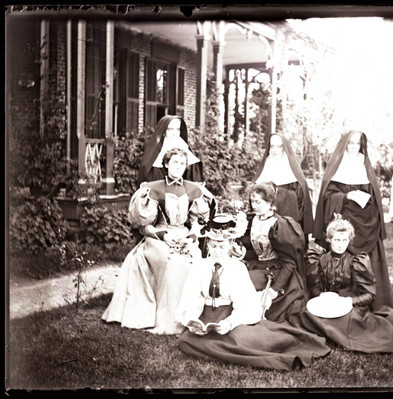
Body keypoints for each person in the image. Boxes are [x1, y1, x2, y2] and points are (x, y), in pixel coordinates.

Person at [176, 214, 331, 370]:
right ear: (207, 245)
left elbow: (246, 304)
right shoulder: (199, 266)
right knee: (186, 341)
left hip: (230, 316)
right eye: (213, 246)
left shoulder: (237, 268)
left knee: (237, 341)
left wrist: (230, 323)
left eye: (222, 246)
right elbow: (190, 298)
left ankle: (282, 346)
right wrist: (192, 321)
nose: (217, 251)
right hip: (206, 318)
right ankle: (218, 346)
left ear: (230, 245)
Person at [102, 148, 212, 335]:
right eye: (174, 162)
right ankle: (168, 320)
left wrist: (191, 237)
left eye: (182, 163)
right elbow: (143, 226)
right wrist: (164, 236)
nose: (178, 167)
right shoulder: (151, 189)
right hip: (157, 236)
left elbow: (197, 222)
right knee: (170, 261)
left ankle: (191, 316)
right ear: (166, 164)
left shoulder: (194, 189)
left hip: (184, 235)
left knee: (193, 259)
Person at [300, 217, 393, 353]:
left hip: (349, 306)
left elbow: (370, 295)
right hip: (327, 303)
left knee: (346, 320)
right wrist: (322, 296)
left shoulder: (355, 262)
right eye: (337, 240)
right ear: (329, 240)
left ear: (349, 241)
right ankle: (330, 330)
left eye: (344, 240)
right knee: (307, 314)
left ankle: (335, 332)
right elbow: (314, 287)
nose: (341, 244)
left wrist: (349, 301)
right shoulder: (320, 259)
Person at [313, 130, 393, 309]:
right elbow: (328, 196)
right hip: (344, 218)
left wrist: (367, 202)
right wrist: (346, 196)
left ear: (362, 145)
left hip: (366, 221)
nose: (353, 147)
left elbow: (374, 197)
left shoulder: (365, 165)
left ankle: (372, 301)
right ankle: (341, 299)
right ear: (344, 144)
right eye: (350, 143)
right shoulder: (337, 165)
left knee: (368, 261)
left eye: (357, 143)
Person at [240, 182, 309, 325]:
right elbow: (257, 252)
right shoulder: (253, 219)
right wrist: (242, 253)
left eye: (258, 202)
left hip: (277, 272)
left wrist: (275, 289)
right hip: (259, 266)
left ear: (270, 202)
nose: (254, 206)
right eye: (252, 202)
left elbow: (290, 262)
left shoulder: (279, 225)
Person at [252, 133, 314, 237]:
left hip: (289, 217)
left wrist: (280, 194)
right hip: (267, 218)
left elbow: (301, 197)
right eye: (272, 146)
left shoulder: (292, 167)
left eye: (279, 146)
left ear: (284, 148)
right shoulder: (266, 165)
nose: (275, 149)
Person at [138, 115, 203, 185]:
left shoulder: (184, 147)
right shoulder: (155, 152)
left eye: (177, 129)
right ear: (164, 131)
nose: (174, 133)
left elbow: (194, 179)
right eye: (170, 129)